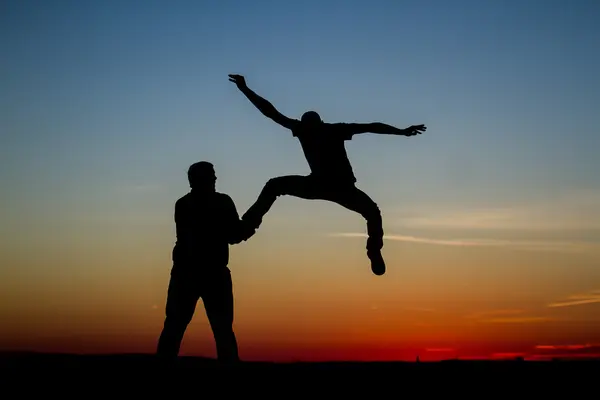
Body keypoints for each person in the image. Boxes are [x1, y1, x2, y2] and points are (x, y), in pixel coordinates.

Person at [228, 74, 426, 276]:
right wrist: (401, 132)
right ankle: (374, 250)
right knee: (372, 212)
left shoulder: (311, 129)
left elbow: (271, 113)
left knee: (275, 186)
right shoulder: (328, 129)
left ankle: (374, 250)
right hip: (335, 186)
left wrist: (244, 89)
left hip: (327, 186)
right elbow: (370, 127)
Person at [156, 161, 254, 364]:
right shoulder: (220, 202)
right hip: (206, 274)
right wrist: (248, 228)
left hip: (188, 273)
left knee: (175, 327)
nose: (215, 180)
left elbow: (230, 234)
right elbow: (234, 235)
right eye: (212, 176)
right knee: (221, 330)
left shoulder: (183, 204)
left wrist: (243, 230)